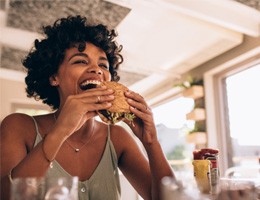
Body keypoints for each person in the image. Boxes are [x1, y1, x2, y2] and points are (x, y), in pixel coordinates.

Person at [0, 15, 175, 200]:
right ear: (53, 77)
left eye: (103, 64)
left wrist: (151, 142)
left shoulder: (117, 137)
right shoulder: (18, 126)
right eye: (81, 61)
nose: (97, 70)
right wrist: (60, 131)